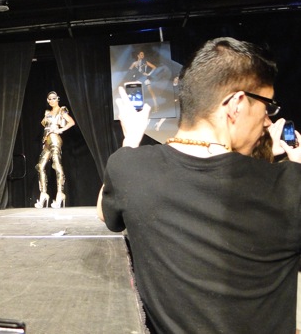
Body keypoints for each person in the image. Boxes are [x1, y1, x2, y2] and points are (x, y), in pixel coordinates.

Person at [98, 37, 301, 333]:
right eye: (267, 106)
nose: (268, 121)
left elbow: (105, 210)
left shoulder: (129, 168)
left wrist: (130, 139)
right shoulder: (290, 187)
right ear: (236, 104)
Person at [34, 91, 75, 209]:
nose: (52, 100)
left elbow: (71, 122)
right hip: (47, 140)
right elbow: (45, 128)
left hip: (55, 138)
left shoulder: (61, 110)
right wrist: (44, 142)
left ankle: (60, 193)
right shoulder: (47, 113)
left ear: (58, 99)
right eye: (49, 99)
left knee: (57, 164)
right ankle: (43, 194)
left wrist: (60, 130)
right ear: (48, 101)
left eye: (54, 98)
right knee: (40, 166)